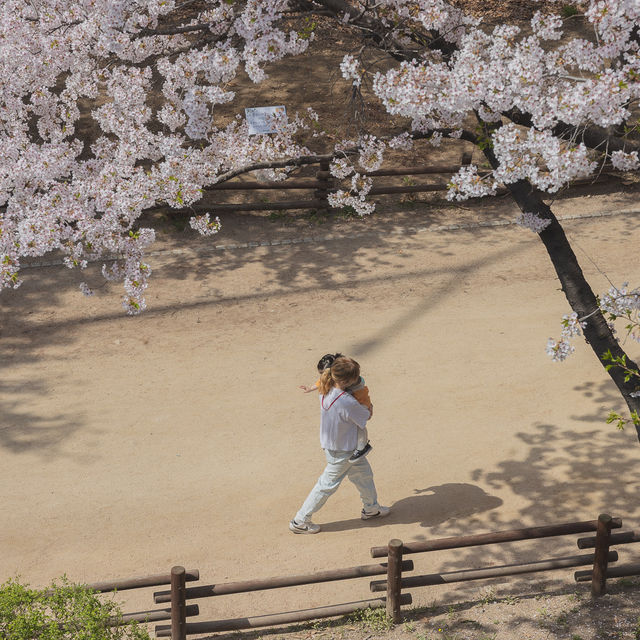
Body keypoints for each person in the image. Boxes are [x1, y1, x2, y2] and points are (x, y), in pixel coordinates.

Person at [290, 356, 389, 534]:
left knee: (364, 475)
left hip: (341, 446)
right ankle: (300, 520)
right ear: (346, 381)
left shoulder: (325, 388)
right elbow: (366, 416)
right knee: (326, 485)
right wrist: (369, 405)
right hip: (343, 450)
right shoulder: (347, 401)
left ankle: (371, 509)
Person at [299, 353, 373, 462]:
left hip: (361, 403)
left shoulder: (338, 390)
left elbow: (364, 413)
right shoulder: (337, 384)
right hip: (343, 445)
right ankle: (361, 447)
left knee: (361, 428)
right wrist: (310, 388)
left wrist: (368, 408)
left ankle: (362, 447)